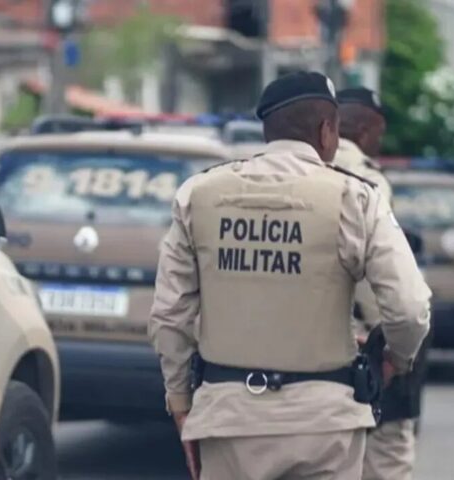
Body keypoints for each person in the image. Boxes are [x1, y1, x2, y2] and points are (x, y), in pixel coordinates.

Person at [149, 71, 432, 479]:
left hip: (228, 418)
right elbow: (409, 308)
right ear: (327, 130)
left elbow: (169, 316)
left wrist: (180, 402)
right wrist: (395, 360)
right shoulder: (355, 198)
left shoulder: (198, 195)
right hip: (324, 425)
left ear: (268, 130)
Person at [335, 87, 433, 480]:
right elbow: (383, 283)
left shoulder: (290, 173)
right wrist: (395, 349)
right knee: (387, 452)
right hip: (363, 342)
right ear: (362, 130)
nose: (380, 142)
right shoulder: (368, 180)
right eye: (378, 133)